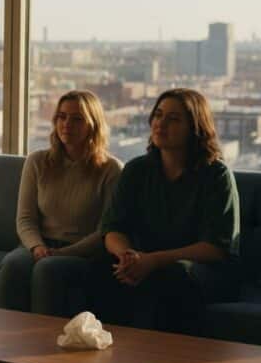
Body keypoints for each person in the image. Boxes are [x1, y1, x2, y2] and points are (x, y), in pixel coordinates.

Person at [88, 87, 240, 334]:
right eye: (158, 115)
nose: (161, 123)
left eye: (174, 119)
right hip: (144, 259)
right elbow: (113, 228)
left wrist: (152, 261)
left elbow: (215, 248)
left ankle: (156, 362)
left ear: (195, 128)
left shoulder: (216, 176)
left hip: (201, 271)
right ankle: (102, 355)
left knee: (173, 275)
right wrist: (127, 257)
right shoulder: (137, 170)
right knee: (100, 268)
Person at [0, 90, 122, 316]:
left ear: (93, 125)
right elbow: (25, 218)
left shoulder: (111, 170)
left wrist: (64, 253)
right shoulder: (37, 162)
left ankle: (41, 344)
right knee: (12, 266)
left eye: (77, 119)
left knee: (47, 269)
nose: (66, 124)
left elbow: (105, 231)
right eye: (61, 117)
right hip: (40, 245)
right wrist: (37, 246)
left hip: (84, 253)